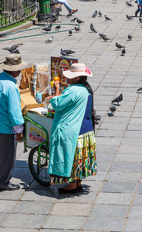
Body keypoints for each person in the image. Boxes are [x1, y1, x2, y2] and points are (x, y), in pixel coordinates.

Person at [48, 63, 97, 193]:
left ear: (77, 78)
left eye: (70, 76)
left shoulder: (73, 91)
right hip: (86, 129)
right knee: (78, 158)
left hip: (73, 130)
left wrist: (56, 91)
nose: (67, 78)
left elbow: (58, 104)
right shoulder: (86, 89)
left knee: (69, 157)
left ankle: (70, 185)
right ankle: (78, 183)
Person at [0, 54, 27, 191]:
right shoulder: (11, 87)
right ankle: (3, 182)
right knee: (7, 157)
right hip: (5, 128)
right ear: (15, 71)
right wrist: (19, 131)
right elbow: (15, 113)